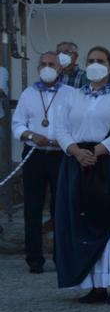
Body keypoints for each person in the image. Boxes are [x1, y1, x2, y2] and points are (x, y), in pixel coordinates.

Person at [53, 46, 110, 304]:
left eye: (101, 60)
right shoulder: (72, 96)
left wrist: (99, 150)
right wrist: (75, 151)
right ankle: (95, 285)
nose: (95, 64)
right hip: (78, 163)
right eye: (91, 60)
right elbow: (60, 127)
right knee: (83, 222)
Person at [13, 51, 69, 273]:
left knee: (61, 208)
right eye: (43, 64)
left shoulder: (71, 94)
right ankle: (34, 259)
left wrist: (65, 142)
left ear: (60, 68)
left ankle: (62, 257)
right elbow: (17, 123)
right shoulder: (28, 93)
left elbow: (76, 123)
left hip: (61, 156)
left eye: (52, 64)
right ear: (38, 68)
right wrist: (30, 135)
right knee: (32, 209)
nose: (47, 67)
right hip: (34, 155)